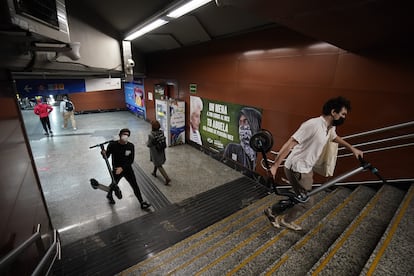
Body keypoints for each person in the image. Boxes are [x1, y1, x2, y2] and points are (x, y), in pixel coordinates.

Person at [264, 96, 363, 231]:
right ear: (334, 112)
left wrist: (352, 148)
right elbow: (290, 143)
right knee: (306, 201)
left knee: (299, 196)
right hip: (298, 168)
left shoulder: (329, 127)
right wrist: (275, 166)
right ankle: (276, 214)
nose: (344, 117)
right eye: (343, 114)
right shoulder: (313, 125)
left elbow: (334, 137)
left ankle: (279, 215)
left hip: (306, 167)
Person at [101, 128, 151, 209]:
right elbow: (107, 156)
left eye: (127, 135)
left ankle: (142, 202)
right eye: (124, 134)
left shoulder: (130, 146)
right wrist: (104, 154)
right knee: (114, 184)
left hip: (127, 169)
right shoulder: (112, 145)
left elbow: (131, 160)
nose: (125, 136)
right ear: (120, 135)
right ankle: (109, 195)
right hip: (116, 170)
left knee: (135, 185)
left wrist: (122, 168)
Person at [222, 107, 262, 171]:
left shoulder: (261, 155)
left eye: (246, 121)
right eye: (240, 122)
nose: (242, 126)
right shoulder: (232, 148)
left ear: (255, 124)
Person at [147, 120, 171, 185]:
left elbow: (149, 144)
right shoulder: (161, 132)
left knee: (158, 164)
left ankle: (167, 178)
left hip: (155, 152)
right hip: (161, 150)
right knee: (157, 162)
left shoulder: (151, 135)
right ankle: (154, 172)